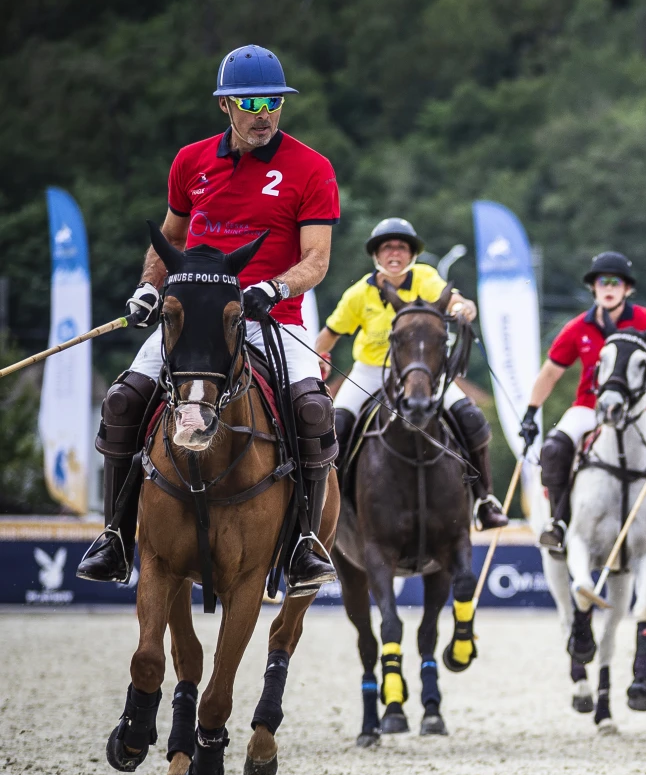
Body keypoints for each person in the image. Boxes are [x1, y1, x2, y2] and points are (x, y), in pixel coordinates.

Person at [78, 45, 340, 591]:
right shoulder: (190, 162)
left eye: (274, 101)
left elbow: (316, 259)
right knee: (123, 400)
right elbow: (170, 240)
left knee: (313, 410)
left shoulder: (311, 168)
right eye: (250, 101)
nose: (264, 113)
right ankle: (115, 536)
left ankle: (303, 546)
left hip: (270, 318)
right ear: (225, 105)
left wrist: (272, 286)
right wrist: (149, 289)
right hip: (190, 316)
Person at [314, 217, 506, 529]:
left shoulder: (425, 278)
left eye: (401, 247)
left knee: (471, 419)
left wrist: (464, 309)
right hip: (371, 372)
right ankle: (333, 508)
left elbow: (456, 301)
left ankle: (484, 499)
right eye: (387, 247)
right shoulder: (358, 295)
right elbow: (330, 334)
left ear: (411, 255)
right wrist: (319, 357)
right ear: (376, 255)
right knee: (337, 427)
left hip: (421, 373)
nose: (394, 253)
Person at [519, 252, 646, 568]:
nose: (609, 287)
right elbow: (550, 372)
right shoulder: (578, 327)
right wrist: (531, 412)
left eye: (616, 282)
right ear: (594, 288)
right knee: (554, 449)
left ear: (628, 289)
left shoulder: (644, 318)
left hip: (641, 412)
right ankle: (559, 521)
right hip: (590, 408)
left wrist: (641, 337)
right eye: (602, 281)